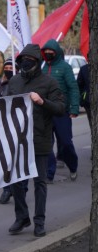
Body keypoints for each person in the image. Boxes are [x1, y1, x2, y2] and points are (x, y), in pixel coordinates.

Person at [6, 44, 65, 238]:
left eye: (29, 60)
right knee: (16, 182)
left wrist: (41, 101)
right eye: (22, 60)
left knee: (39, 182)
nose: (25, 63)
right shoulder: (13, 82)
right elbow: (2, 106)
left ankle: (39, 221)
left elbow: (60, 108)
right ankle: (22, 217)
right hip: (17, 140)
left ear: (37, 62)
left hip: (39, 139)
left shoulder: (49, 83)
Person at [41, 39, 79, 182]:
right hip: (45, 112)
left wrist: (74, 108)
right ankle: (49, 173)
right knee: (46, 144)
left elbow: (73, 88)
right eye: (46, 52)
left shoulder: (65, 67)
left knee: (66, 142)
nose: (48, 53)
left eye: (51, 52)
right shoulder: (42, 67)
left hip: (61, 112)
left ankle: (73, 166)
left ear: (56, 53)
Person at [0, 58, 16, 204]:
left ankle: (20, 187)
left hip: (18, 127)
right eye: (6, 67)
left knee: (16, 159)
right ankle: (7, 189)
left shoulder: (20, 84)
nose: (8, 70)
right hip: (1, 127)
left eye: (12, 67)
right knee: (4, 159)